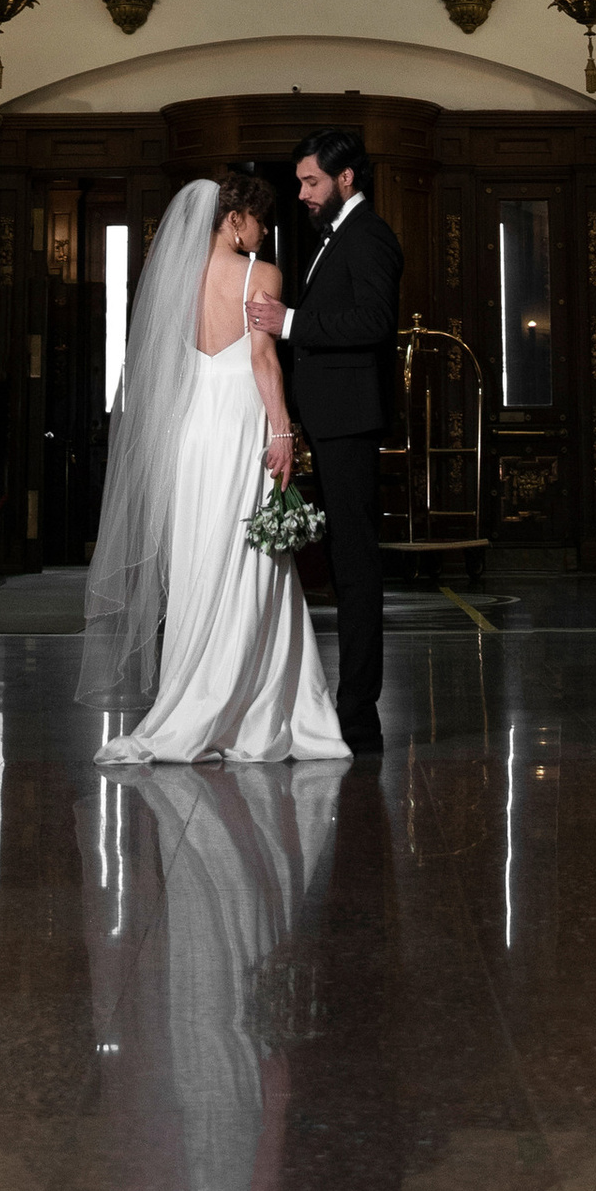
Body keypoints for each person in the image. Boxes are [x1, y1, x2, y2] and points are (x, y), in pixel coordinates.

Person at [82, 168, 348, 766]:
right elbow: (262, 360)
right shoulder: (261, 274)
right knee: (253, 555)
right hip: (239, 422)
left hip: (193, 428)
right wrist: (283, 429)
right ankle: (247, 705)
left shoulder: (178, 280)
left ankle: (190, 694)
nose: (264, 232)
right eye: (258, 221)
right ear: (233, 220)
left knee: (202, 552)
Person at [249, 127, 399, 757]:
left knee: (356, 567)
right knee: (342, 563)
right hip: (327, 419)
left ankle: (360, 717)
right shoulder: (330, 237)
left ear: (347, 180)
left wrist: (290, 322)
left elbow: (375, 321)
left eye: (313, 182)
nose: (303, 194)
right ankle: (344, 708)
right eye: (301, 183)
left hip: (350, 422)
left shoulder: (369, 235)